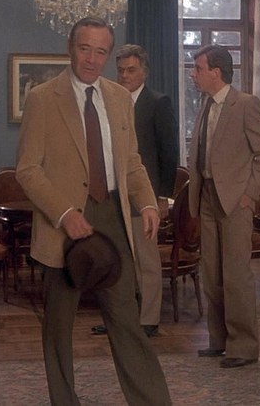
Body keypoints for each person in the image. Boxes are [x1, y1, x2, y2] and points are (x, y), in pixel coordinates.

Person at [15, 17, 171, 405]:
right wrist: (64, 213)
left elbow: (131, 161)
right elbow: (28, 169)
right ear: (70, 47)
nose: (92, 58)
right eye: (85, 48)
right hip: (63, 224)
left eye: (101, 51)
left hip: (112, 219)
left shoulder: (119, 98)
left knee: (127, 319)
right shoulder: (43, 98)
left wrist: (147, 201)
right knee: (58, 325)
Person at [187, 44, 260, 369]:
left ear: (216, 72)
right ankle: (219, 340)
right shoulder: (206, 104)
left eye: (198, 68)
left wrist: (249, 194)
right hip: (207, 197)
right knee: (212, 273)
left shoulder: (245, 104)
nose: (193, 74)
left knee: (236, 274)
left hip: (235, 200)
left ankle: (243, 347)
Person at [90, 44, 179, 338]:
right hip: (112, 195)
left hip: (144, 196)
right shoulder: (110, 100)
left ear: (144, 72)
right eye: (121, 70)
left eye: (131, 70)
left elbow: (169, 153)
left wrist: (162, 196)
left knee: (146, 261)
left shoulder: (157, 103)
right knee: (117, 260)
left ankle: (148, 319)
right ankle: (119, 318)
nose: (125, 76)